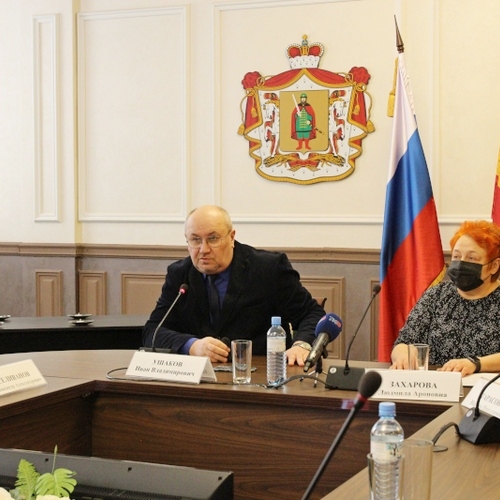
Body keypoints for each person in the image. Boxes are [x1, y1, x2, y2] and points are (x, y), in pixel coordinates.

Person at [143, 205, 326, 365]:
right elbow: (153, 331)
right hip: (200, 377)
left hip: (262, 374)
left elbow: (312, 314)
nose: (203, 249)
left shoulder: (268, 268)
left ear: (231, 237)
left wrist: (302, 345)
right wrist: (192, 346)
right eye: (195, 240)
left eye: (213, 238)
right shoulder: (180, 274)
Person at [390, 220, 500, 376]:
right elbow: (403, 342)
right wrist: (403, 357)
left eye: (471, 258)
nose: (461, 263)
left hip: (485, 388)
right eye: (456, 256)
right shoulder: (437, 295)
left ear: (494, 266)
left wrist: (475, 364)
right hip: (435, 385)